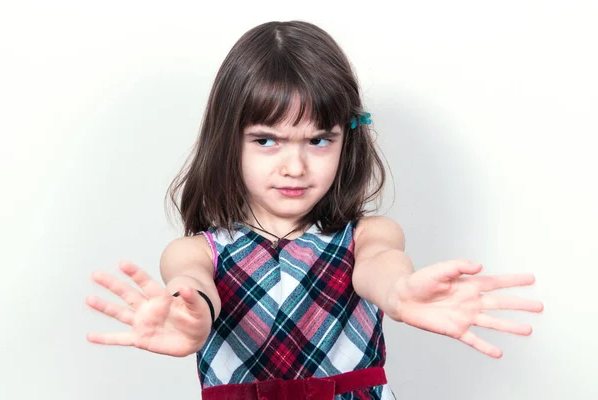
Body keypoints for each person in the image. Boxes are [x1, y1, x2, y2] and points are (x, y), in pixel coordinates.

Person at [86, 20, 544, 400]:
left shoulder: (367, 236)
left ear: (347, 140)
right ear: (229, 141)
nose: (295, 166)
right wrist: (189, 317)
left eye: (318, 140)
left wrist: (401, 292)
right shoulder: (196, 251)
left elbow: (380, 268)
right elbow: (193, 287)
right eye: (267, 140)